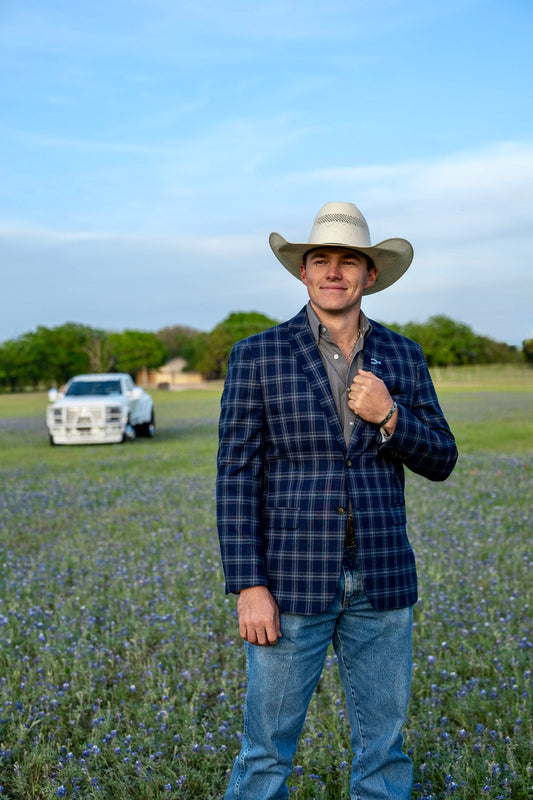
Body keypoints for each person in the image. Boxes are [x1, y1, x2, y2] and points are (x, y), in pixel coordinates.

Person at [216, 201, 458, 800]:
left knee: (384, 755)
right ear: (302, 273)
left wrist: (391, 416)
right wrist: (249, 584)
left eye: (347, 261)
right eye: (320, 260)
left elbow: (442, 459)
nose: (332, 271)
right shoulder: (257, 356)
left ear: (369, 275)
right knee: (267, 754)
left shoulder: (402, 355)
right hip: (288, 584)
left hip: (382, 582)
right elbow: (235, 479)